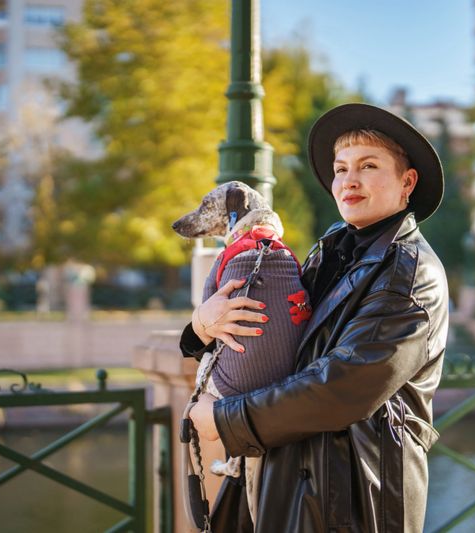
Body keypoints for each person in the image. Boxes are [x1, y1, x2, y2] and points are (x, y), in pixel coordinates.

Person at [180, 103, 449, 532]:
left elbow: (343, 386)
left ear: (407, 182)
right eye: (341, 169)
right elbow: (276, 332)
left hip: (352, 503)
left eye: (368, 165)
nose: (349, 180)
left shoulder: (410, 274)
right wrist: (201, 327)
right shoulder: (332, 250)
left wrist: (226, 418)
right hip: (288, 481)